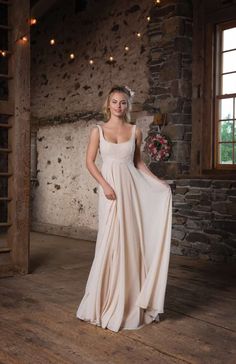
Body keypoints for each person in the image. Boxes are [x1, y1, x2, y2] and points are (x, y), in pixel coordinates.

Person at [76, 85, 172, 332]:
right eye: (115, 102)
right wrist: (105, 185)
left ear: (128, 106)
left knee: (129, 241)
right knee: (109, 241)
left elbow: (138, 163)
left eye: (123, 102)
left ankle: (129, 300)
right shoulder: (98, 130)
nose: (119, 106)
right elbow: (89, 161)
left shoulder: (135, 131)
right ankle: (102, 300)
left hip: (130, 190)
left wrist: (158, 183)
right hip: (110, 192)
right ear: (108, 104)